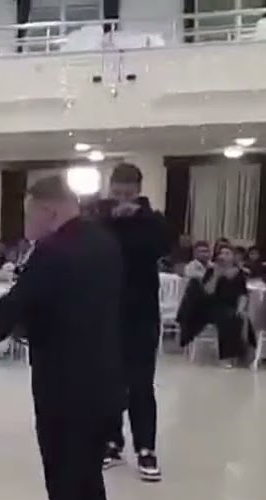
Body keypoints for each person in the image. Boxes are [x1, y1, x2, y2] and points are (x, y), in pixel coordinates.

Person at [0, 173, 122, 500]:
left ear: (48, 211)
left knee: (68, 490)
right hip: (103, 382)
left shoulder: (51, 252)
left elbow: (4, 316)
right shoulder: (104, 244)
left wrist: (20, 316)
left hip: (65, 389)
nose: (26, 223)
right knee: (88, 489)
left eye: (29, 214)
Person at [98, 163, 171, 481]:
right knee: (107, 382)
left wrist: (137, 218)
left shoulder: (153, 220)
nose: (121, 199)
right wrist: (111, 220)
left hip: (141, 313)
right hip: (105, 311)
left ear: (138, 191)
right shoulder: (99, 217)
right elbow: (90, 248)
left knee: (141, 383)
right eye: (117, 193)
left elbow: (162, 248)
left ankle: (146, 448)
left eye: (127, 193)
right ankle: (111, 442)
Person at [177, 244, 250, 366]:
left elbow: (242, 294)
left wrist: (240, 308)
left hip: (230, 305)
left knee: (239, 317)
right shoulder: (212, 270)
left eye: (227, 253)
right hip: (211, 305)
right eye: (221, 253)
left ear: (233, 257)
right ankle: (226, 357)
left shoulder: (239, 273)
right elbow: (208, 291)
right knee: (227, 317)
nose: (223, 256)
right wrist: (216, 276)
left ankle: (240, 354)